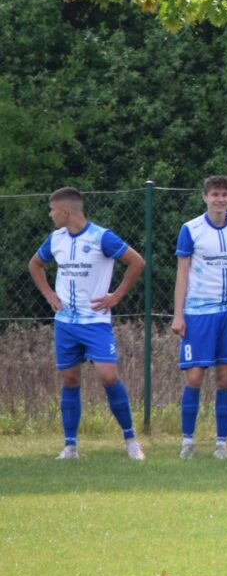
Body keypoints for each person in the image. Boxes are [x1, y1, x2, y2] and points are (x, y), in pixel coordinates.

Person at [29, 187, 146, 460]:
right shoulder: (55, 239)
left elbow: (137, 262)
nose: (51, 215)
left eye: (53, 210)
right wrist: (49, 294)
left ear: (65, 211)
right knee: (70, 380)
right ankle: (70, 447)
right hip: (66, 323)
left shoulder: (101, 237)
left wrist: (116, 296)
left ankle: (130, 440)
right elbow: (35, 265)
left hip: (95, 321)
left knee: (108, 376)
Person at [172, 175, 227, 459]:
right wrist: (178, 315)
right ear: (204, 197)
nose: (220, 199)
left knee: (224, 379)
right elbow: (182, 273)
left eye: (225, 195)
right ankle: (188, 442)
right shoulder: (191, 229)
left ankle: (222, 444)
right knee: (194, 378)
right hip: (197, 314)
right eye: (215, 194)